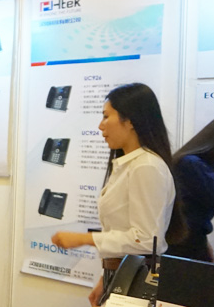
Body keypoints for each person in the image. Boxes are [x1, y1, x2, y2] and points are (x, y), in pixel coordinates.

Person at [51, 83, 183, 307]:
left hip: (139, 282)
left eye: (106, 116)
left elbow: (145, 240)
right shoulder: (129, 164)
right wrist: (106, 278)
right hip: (122, 274)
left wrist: (84, 239)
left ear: (129, 121)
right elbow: (123, 233)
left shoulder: (146, 166)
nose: (100, 125)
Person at [166, 111, 214, 261]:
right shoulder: (191, 164)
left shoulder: (201, 165)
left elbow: (191, 212)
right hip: (180, 253)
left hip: (187, 248)